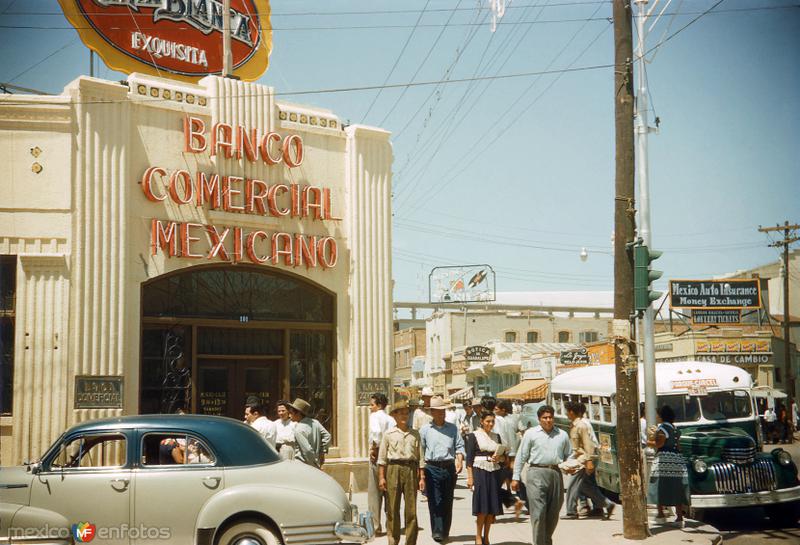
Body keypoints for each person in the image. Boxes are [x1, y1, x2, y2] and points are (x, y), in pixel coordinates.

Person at [511, 405, 572, 545]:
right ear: (539, 419)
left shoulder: (562, 434)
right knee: (538, 513)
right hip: (536, 473)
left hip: (556, 474)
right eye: (545, 418)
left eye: (550, 417)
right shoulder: (531, 434)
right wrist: (515, 477)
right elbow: (521, 456)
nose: (548, 420)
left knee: (553, 513)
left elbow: (569, 454)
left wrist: (571, 465)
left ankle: (546, 540)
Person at [378, 401, 425, 545]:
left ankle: (410, 541)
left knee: (411, 510)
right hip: (393, 469)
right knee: (392, 508)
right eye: (401, 413)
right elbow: (382, 458)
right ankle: (393, 540)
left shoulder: (415, 434)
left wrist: (421, 477)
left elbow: (420, 457)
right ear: (395, 416)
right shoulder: (388, 434)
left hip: (410, 470)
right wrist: (381, 477)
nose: (404, 416)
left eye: (406, 413)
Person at [420, 396, 465, 543]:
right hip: (431, 468)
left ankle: (445, 530)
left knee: (447, 501)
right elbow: (420, 451)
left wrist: (459, 459)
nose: (442, 414)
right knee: (435, 500)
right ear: (432, 412)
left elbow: (459, 446)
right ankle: (437, 530)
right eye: (438, 411)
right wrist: (420, 473)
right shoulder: (425, 430)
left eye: (443, 411)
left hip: (449, 467)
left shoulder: (452, 428)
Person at [562, 402, 616, 521]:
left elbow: (588, 445)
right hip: (582, 458)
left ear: (571, 412)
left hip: (584, 459)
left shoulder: (581, 425)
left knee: (572, 484)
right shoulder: (577, 424)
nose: (566, 413)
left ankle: (571, 511)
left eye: (567, 411)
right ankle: (605, 504)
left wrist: (589, 461)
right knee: (584, 485)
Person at [466, 411, 505, 545]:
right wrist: (470, 477)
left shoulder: (497, 436)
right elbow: (469, 459)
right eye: (488, 421)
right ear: (481, 421)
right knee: (482, 507)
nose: (490, 424)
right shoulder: (473, 436)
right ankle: (478, 536)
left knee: (491, 508)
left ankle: (486, 536)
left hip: (494, 472)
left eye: (492, 421)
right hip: (480, 471)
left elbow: (503, 458)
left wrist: (499, 457)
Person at [647, 405, 689, 527]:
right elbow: (678, 446)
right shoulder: (675, 429)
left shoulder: (662, 429)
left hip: (664, 461)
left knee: (659, 485)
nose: (656, 417)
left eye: (657, 415)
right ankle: (680, 518)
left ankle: (660, 515)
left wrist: (646, 442)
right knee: (676, 487)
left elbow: (659, 444)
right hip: (677, 460)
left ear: (661, 416)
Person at [368, 392, 395, 535]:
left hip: (378, 456)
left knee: (374, 493)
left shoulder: (374, 416)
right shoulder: (391, 419)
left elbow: (376, 433)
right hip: (390, 457)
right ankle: (391, 525)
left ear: (378, 405)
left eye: (372, 404)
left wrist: (375, 448)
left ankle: (375, 526)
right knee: (389, 493)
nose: (370, 407)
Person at [494, 399, 524, 516]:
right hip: (508, 455)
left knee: (496, 484)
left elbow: (511, 439)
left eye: (496, 409)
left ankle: (517, 502)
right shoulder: (509, 419)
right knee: (512, 480)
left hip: (508, 456)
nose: (495, 411)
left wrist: (511, 459)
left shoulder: (506, 422)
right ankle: (517, 502)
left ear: (503, 410)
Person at [288, 397, 331, 468]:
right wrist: (322, 452)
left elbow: (307, 450)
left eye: (291, 413)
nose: (289, 416)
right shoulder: (315, 422)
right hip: (314, 463)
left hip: (304, 465)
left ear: (298, 413)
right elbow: (327, 436)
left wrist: (314, 465)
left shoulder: (298, 429)